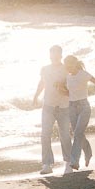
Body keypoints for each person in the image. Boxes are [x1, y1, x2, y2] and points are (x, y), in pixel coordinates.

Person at [33, 44, 72, 175]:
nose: (54, 57)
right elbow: (42, 82)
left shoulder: (66, 69)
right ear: (49, 56)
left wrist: (63, 87)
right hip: (48, 106)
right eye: (52, 55)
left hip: (63, 106)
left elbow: (72, 87)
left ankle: (68, 163)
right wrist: (35, 96)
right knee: (45, 135)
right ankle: (47, 164)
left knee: (65, 135)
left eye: (56, 55)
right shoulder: (45, 69)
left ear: (60, 55)